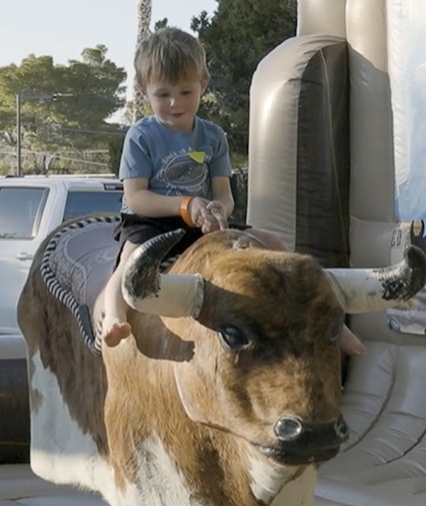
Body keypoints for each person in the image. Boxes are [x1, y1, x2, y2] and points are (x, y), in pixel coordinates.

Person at [101, 27, 365, 357]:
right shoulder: (141, 136)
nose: (174, 103)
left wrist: (217, 212)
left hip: (200, 222)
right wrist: (186, 205)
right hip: (152, 220)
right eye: (163, 94)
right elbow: (138, 197)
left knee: (275, 246)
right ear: (143, 90)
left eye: (185, 91)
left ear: (203, 83)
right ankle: (113, 316)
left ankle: (331, 324)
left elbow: (224, 195)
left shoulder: (213, 137)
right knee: (132, 261)